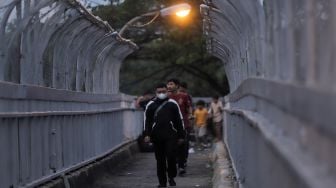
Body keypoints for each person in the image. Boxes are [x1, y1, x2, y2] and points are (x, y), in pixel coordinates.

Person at [144, 83, 185, 187]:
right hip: (156, 136)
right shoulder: (151, 105)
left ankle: (171, 176)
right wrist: (147, 134)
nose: (161, 93)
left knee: (171, 156)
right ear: (155, 92)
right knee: (160, 160)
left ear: (167, 91)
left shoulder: (172, 104)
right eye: (159, 92)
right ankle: (162, 182)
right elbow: (147, 121)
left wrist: (181, 135)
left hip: (171, 135)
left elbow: (179, 120)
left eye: (163, 91)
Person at [166, 78, 192, 176]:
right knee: (170, 146)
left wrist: (190, 115)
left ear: (177, 86)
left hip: (182, 124)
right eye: (168, 84)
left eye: (171, 84)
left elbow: (188, 107)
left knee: (182, 145)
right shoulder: (166, 97)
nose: (169, 86)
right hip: (169, 125)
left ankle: (181, 166)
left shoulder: (184, 96)